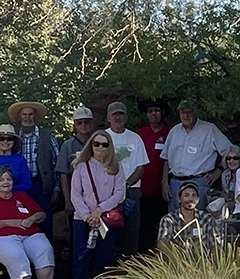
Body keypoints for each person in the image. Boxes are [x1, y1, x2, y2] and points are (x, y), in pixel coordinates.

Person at [66, 130, 126, 279]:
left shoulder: (116, 167)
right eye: (96, 144)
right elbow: (75, 194)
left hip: (106, 219)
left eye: (104, 144)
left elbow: (120, 193)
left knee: (103, 259)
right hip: (83, 220)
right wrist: (88, 216)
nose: (100, 147)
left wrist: (100, 210)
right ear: (90, 145)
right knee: (80, 259)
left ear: (110, 147)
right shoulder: (81, 166)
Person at [160, 99, 232, 211]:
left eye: (189, 112)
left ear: (196, 113)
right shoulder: (174, 131)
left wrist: (218, 172)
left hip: (199, 184)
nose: (186, 115)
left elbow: (230, 152)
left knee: (198, 222)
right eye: (183, 112)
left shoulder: (209, 129)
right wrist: (165, 182)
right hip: (175, 185)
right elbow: (166, 160)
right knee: (175, 223)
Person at [7, 101, 60, 240]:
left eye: (31, 114)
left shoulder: (47, 135)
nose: (27, 117)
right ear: (19, 117)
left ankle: (46, 257)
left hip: (41, 185)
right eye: (24, 114)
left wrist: (57, 187)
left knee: (44, 221)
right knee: (19, 220)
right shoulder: (12, 137)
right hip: (17, 186)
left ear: (35, 117)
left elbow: (57, 162)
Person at [105, 101, 150, 257]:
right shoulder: (102, 138)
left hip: (132, 191)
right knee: (109, 233)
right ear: (108, 117)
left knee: (131, 232)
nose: (118, 117)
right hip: (107, 192)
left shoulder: (135, 138)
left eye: (121, 114)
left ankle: (129, 271)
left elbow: (140, 168)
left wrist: (125, 185)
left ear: (126, 117)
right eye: (114, 114)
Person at [136, 100, 172, 254]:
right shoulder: (139, 134)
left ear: (162, 113)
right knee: (143, 229)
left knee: (163, 228)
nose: (153, 114)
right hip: (142, 191)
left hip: (164, 191)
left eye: (157, 111)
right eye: (150, 111)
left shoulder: (171, 133)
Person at [157, 181, 225, 248]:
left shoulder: (207, 218)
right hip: (176, 258)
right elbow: (162, 243)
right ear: (179, 199)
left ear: (198, 200)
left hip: (202, 258)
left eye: (194, 195)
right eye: (186, 195)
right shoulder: (169, 219)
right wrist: (175, 257)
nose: (191, 199)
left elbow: (217, 244)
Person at [58, 107, 96, 221]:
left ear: (92, 123)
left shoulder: (99, 142)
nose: (83, 125)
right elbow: (63, 175)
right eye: (80, 122)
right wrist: (68, 201)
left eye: (87, 122)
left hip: (98, 196)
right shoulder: (68, 146)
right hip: (76, 196)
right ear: (75, 124)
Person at [213, 144, 240, 215]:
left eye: (235, 158)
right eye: (228, 158)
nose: (231, 161)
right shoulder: (225, 174)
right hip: (228, 206)